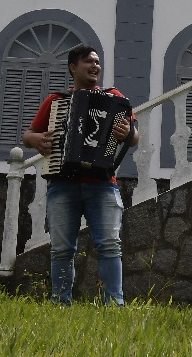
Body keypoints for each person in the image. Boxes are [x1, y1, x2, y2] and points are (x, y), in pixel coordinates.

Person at [22, 44, 138, 306]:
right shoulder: (56, 101)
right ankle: (60, 303)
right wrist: (37, 140)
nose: (95, 66)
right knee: (62, 249)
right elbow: (28, 135)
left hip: (102, 183)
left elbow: (134, 136)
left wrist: (126, 134)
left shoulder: (114, 97)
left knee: (109, 245)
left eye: (97, 62)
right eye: (89, 61)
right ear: (73, 67)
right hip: (63, 184)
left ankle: (114, 304)